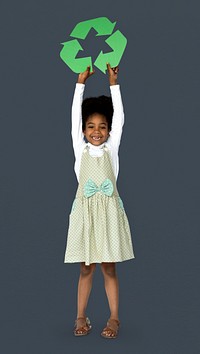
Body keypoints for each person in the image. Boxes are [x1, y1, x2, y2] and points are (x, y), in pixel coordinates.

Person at [64, 64, 135, 339]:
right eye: (91, 126)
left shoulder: (112, 148)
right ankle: (80, 316)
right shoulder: (79, 148)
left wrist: (113, 84)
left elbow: (121, 120)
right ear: (83, 130)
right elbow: (73, 118)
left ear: (108, 130)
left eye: (102, 127)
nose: (97, 131)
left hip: (108, 214)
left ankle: (114, 317)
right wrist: (79, 83)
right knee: (85, 267)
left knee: (108, 266)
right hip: (85, 214)